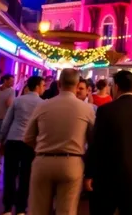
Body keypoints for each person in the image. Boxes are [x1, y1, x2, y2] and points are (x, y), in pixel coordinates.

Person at [85, 71, 132, 215]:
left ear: (117, 87)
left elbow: (96, 144)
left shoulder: (105, 110)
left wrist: (89, 173)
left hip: (107, 175)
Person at [25, 69, 95, 214]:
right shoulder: (86, 109)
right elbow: (94, 140)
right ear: (77, 85)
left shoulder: (43, 105)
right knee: (67, 210)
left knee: (38, 209)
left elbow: (28, 137)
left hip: (43, 160)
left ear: (58, 84)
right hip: (72, 162)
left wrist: (42, 147)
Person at [0, 76, 45, 215]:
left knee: (10, 174)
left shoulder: (18, 100)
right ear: (37, 87)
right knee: (26, 176)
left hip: (13, 140)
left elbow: (7, 121)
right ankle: (21, 208)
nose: (44, 88)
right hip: (30, 144)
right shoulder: (43, 104)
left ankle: (7, 207)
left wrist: (2, 139)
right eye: (43, 85)